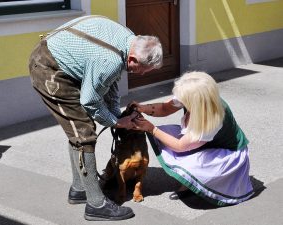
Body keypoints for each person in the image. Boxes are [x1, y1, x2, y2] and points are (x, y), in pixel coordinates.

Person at [28, 15, 163, 221]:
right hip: (50, 70)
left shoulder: (128, 40)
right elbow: (90, 101)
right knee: (83, 133)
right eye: (143, 70)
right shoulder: (109, 60)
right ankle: (96, 204)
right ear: (133, 59)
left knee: (78, 129)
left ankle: (80, 189)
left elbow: (108, 84)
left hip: (61, 60)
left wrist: (116, 113)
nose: (142, 74)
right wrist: (117, 122)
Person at [132, 71, 254, 206]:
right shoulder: (194, 96)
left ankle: (199, 184)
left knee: (181, 154)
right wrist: (144, 108)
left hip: (227, 154)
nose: (178, 101)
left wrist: (151, 129)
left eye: (183, 99)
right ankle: (194, 180)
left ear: (196, 101)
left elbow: (180, 146)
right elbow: (165, 108)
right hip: (207, 143)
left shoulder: (212, 116)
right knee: (166, 134)